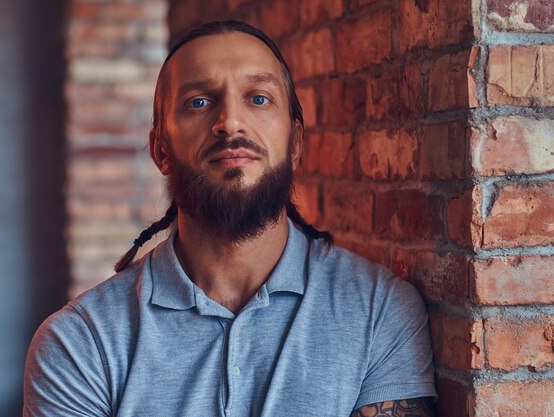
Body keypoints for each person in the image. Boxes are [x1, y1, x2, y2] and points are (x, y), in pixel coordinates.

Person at [23, 20, 437, 417]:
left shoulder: (378, 311)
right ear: (160, 149)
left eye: (258, 98)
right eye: (199, 102)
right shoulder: (79, 343)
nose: (231, 123)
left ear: (295, 142)